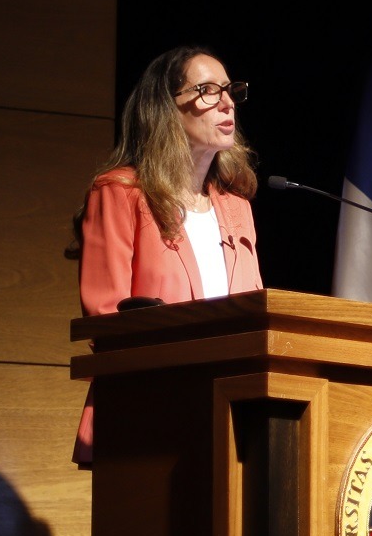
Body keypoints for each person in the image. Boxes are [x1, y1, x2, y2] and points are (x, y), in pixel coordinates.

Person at [67, 45, 263, 465]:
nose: (227, 102)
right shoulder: (120, 194)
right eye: (208, 90)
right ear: (165, 108)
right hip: (148, 416)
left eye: (230, 90)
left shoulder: (237, 207)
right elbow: (107, 320)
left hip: (233, 417)